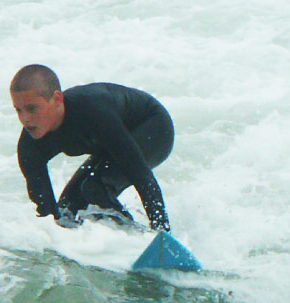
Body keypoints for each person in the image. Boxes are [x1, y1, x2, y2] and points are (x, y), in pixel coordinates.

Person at [10, 64, 173, 231]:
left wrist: (162, 230)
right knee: (68, 211)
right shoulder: (30, 148)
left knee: (95, 187)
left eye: (32, 108)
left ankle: (141, 242)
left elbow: (142, 176)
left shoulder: (92, 112)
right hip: (109, 144)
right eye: (19, 110)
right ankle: (112, 250)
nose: (25, 119)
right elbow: (48, 215)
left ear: (57, 99)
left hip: (154, 127)